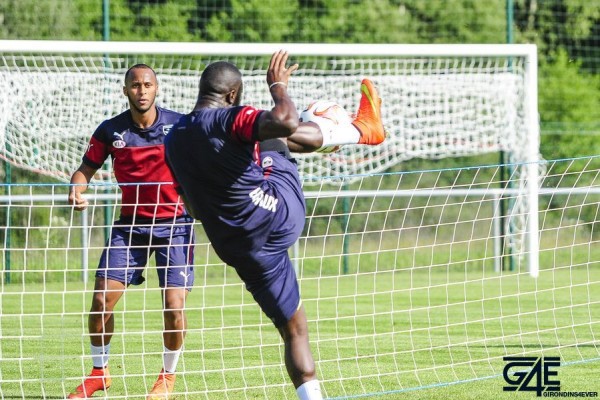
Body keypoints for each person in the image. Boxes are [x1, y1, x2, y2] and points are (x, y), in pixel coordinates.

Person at [164, 50, 385, 400]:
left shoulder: (173, 138)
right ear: (233, 95)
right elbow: (284, 119)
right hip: (277, 212)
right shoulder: (229, 118)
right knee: (274, 133)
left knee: (293, 330)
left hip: (235, 245)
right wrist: (278, 86)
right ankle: (362, 131)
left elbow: (191, 206)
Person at [67, 64, 195, 399]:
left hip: (175, 226)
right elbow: (84, 171)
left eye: (147, 85)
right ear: (126, 90)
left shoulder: (180, 126)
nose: (141, 91)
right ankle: (99, 372)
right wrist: (76, 189)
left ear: (157, 88)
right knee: (100, 300)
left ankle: (167, 376)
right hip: (131, 227)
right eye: (135, 85)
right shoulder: (111, 130)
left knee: (174, 306)